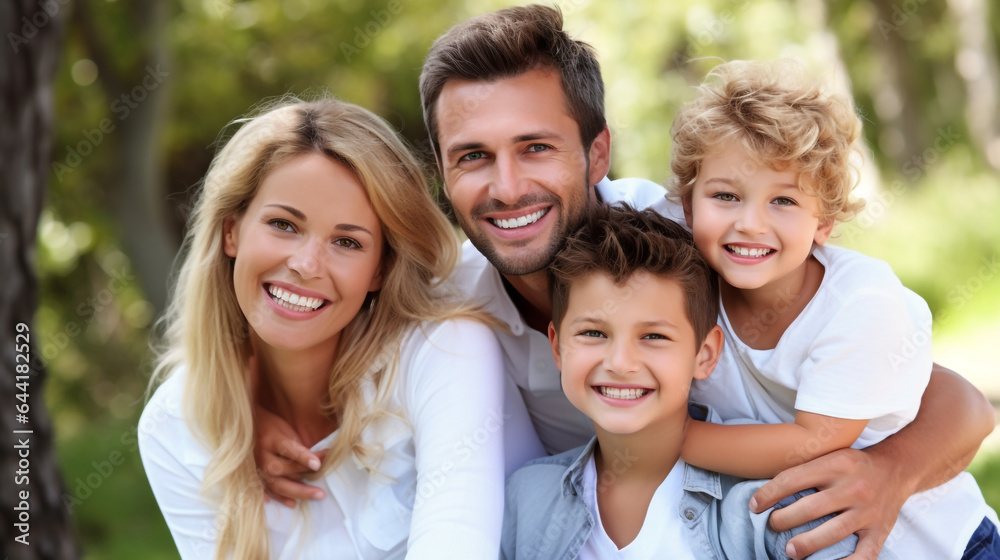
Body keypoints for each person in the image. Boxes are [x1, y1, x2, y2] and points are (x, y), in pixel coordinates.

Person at [258, 5, 996, 558]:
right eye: (474, 156)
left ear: (598, 149)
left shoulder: (695, 240)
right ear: (444, 172)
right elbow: (304, 308)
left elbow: (960, 402)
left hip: (916, 534)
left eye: (537, 148)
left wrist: (889, 473)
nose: (507, 186)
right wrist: (250, 405)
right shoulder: (450, 303)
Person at [138, 97, 530, 559]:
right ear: (232, 231)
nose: (306, 265)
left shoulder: (445, 350)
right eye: (283, 224)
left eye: (347, 242)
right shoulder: (173, 426)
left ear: (380, 270)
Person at [668, 59, 999, 559]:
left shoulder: (861, 304)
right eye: (726, 196)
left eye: (783, 201)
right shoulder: (682, 277)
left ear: (823, 221)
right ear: (688, 208)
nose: (750, 223)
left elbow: (815, 440)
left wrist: (666, 438)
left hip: (943, 547)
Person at [502, 202, 856, 559]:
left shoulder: (773, 506)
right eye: (593, 333)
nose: (621, 363)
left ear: (704, 354)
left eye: (654, 337)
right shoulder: (526, 497)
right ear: (557, 347)